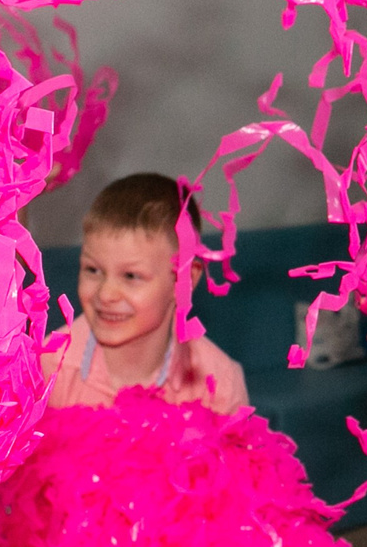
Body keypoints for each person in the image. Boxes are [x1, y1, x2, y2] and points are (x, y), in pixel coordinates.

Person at [42, 171, 249, 412]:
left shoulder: (219, 385)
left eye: (131, 276)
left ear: (184, 279)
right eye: (92, 270)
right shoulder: (48, 369)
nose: (106, 294)